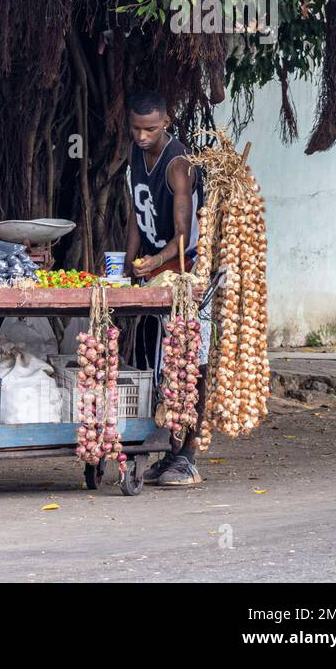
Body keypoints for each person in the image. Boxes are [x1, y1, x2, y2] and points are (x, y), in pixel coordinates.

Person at [122, 90, 209, 488]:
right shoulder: (135, 157)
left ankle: (188, 456)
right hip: (157, 273)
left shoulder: (178, 165)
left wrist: (157, 262)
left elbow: (183, 230)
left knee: (193, 363)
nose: (142, 137)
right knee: (161, 363)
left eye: (150, 130)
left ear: (167, 123)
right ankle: (168, 452)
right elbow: (136, 218)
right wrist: (127, 268)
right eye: (136, 128)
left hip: (187, 273)